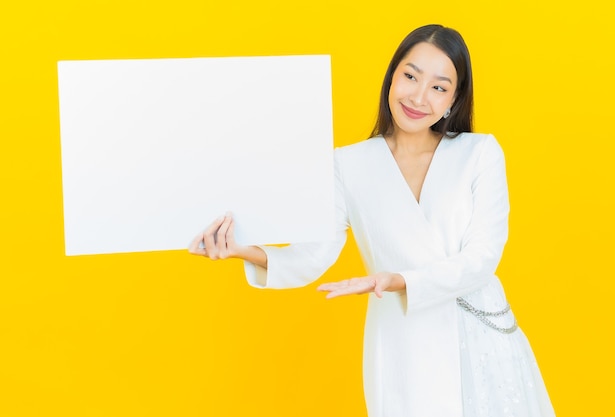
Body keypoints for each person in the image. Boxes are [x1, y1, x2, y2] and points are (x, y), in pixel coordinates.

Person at [189, 24, 555, 417]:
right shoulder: (349, 163)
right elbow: (313, 255)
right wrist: (245, 250)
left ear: (454, 98)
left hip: (480, 341)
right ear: (391, 78)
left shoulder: (480, 153)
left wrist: (400, 281)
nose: (418, 96)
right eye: (410, 76)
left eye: (438, 86)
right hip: (402, 344)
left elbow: (483, 258)